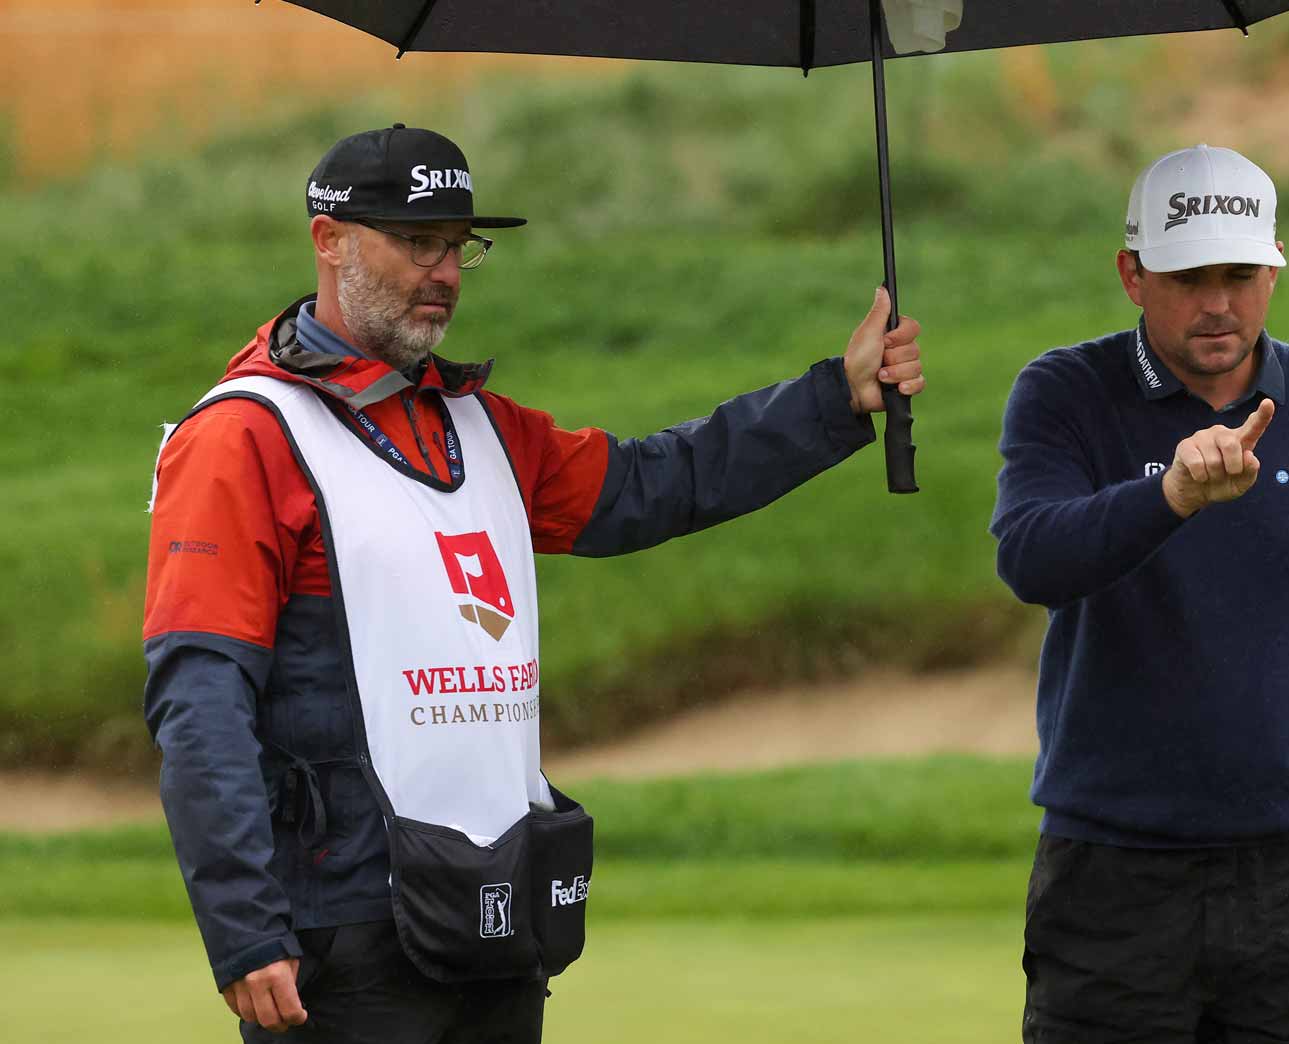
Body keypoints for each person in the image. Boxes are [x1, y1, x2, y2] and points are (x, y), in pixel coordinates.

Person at [143, 124, 924, 1042]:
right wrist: (244, 927)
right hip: (340, 936)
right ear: (330, 240)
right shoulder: (241, 438)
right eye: (416, 242)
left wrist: (836, 396)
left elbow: (650, 485)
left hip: (495, 909)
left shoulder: (480, 427)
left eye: (458, 245)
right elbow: (201, 701)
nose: (444, 272)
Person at [990, 144, 1289, 1044]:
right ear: (1132, 275)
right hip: (1112, 883)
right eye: (1188, 278)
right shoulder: (1065, 393)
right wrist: (1169, 496)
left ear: (1274, 268)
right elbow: (1032, 558)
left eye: (1239, 276)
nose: (1217, 303)